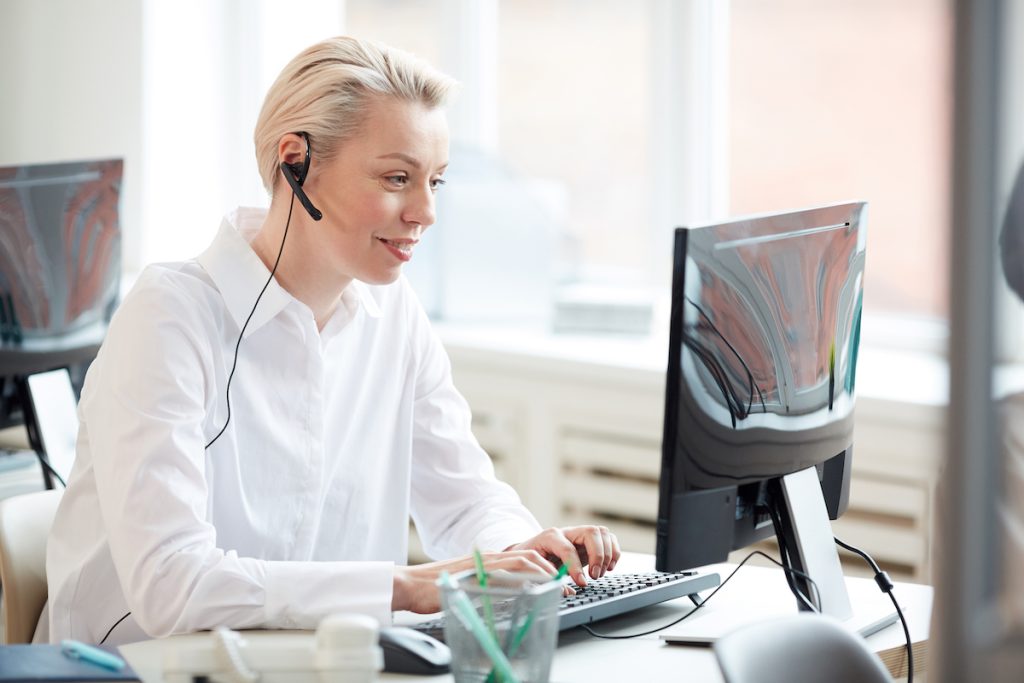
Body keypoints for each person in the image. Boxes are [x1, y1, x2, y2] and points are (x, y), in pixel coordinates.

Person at [43, 36, 620, 645]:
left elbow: (463, 498)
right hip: (136, 665)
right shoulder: (170, 317)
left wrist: (519, 550)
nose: (424, 211)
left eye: (436, 183)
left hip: (312, 662)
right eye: (398, 177)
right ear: (296, 161)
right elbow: (170, 585)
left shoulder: (393, 314)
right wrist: (405, 586)